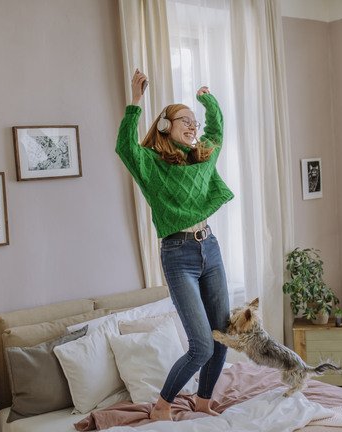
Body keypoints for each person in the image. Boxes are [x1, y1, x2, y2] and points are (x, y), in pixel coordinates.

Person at [115, 69, 234, 422]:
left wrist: (207, 101)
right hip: (178, 254)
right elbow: (125, 147)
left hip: (209, 248)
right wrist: (135, 101)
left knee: (222, 335)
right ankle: (162, 406)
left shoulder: (202, 157)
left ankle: (202, 400)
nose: (193, 127)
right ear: (166, 125)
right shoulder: (151, 164)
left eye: (194, 123)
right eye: (186, 120)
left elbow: (217, 131)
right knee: (201, 345)